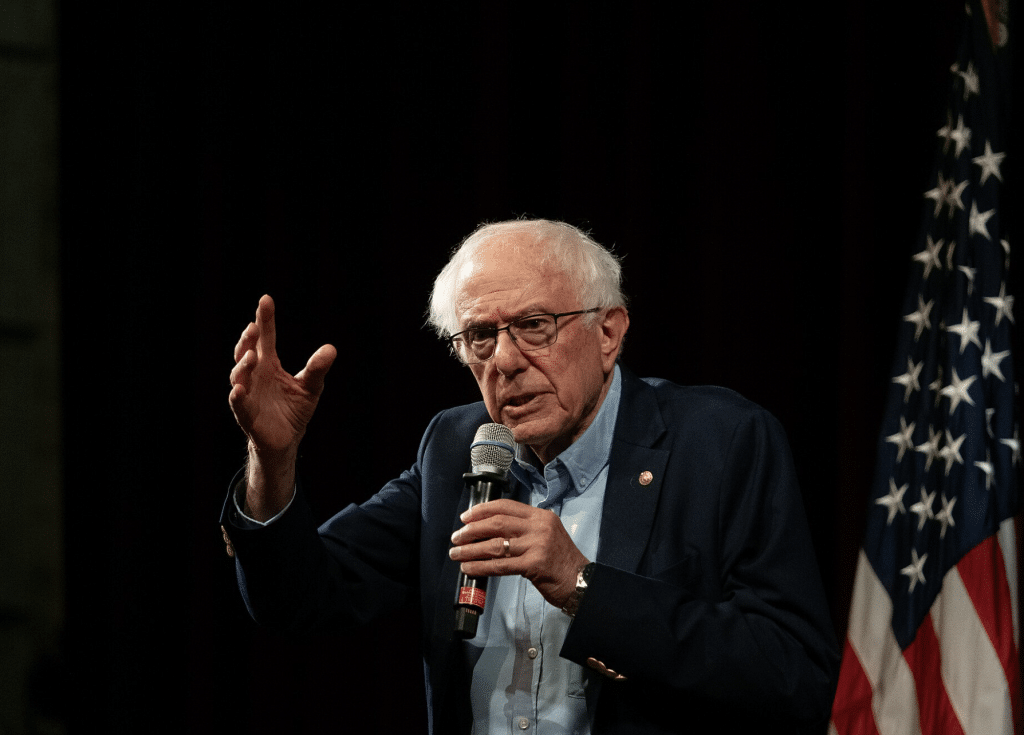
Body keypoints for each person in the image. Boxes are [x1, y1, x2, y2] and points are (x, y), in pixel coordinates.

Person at [222, 219, 839, 734]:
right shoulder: (456, 447)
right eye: (481, 337)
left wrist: (582, 585)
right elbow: (301, 601)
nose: (507, 361)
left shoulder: (721, 443)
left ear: (609, 332)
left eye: (534, 326)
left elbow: (792, 675)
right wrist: (272, 462)